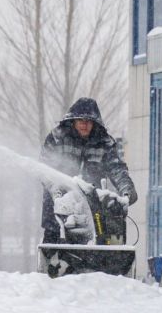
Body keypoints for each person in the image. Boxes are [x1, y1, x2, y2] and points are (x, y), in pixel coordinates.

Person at [40, 97, 137, 244]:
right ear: (73, 121)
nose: (85, 125)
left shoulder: (105, 143)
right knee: (54, 249)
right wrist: (56, 191)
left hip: (93, 210)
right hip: (58, 208)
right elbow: (44, 168)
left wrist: (127, 193)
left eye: (89, 121)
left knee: (103, 243)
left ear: (95, 123)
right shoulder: (57, 139)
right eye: (81, 120)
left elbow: (118, 170)